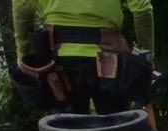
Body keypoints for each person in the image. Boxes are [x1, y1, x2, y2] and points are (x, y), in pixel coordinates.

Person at [12, 0, 154, 116]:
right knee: (115, 128)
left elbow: (22, 9)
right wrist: (146, 54)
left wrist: (22, 54)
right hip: (109, 59)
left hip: (59, 60)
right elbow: (142, 9)